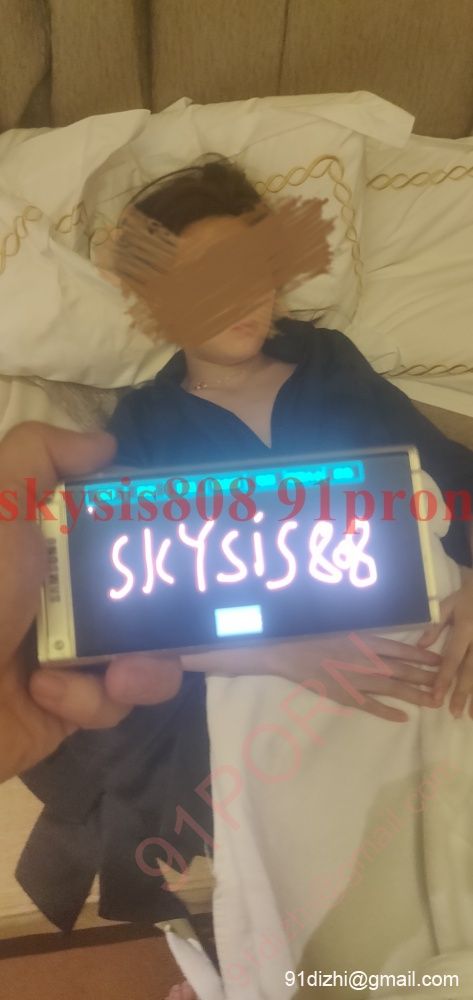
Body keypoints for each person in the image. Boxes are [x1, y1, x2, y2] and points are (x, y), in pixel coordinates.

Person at [1, 154, 473, 999]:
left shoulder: (330, 362)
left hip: (423, 635)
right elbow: (143, 607)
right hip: (268, 672)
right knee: (341, 907)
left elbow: (445, 476)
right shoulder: (144, 424)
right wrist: (281, 654)